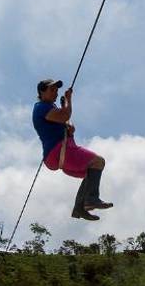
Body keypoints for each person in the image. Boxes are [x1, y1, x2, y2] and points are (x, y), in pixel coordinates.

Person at [33, 78, 112, 221]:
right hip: (58, 151)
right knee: (98, 162)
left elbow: (64, 121)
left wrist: (69, 129)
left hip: (57, 155)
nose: (56, 92)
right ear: (42, 92)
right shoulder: (41, 107)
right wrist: (69, 100)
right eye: (52, 90)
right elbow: (65, 115)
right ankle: (91, 199)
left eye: (56, 90)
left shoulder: (50, 108)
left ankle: (79, 208)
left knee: (90, 173)